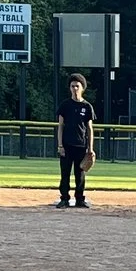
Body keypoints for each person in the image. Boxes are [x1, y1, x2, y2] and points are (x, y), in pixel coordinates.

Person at [56, 75, 95, 209]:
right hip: (66, 145)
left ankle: (80, 199)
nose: (75, 88)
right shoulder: (65, 105)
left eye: (77, 86)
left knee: (80, 175)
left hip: (81, 146)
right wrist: (60, 145)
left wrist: (90, 148)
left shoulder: (87, 107)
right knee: (65, 174)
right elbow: (60, 126)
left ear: (82, 88)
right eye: (72, 86)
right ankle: (64, 199)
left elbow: (89, 128)